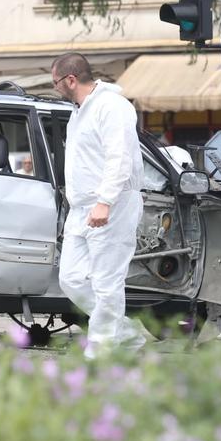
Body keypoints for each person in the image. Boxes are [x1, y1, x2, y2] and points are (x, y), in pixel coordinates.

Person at [50, 52, 146, 359]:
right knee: (71, 279)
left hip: (113, 205)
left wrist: (105, 202)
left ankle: (100, 354)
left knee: (107, 282)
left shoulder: (112, 107)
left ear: (71, 80)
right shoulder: (79, 112)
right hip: (81, 209)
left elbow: (120, 158)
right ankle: (127, 336)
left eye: (55, 83)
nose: (54, 89)